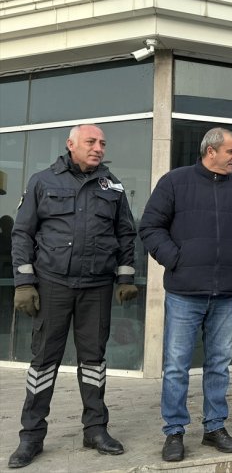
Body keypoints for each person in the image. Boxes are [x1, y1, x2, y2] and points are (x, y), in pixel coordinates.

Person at [8, 124, 138, 469]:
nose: (98, 148)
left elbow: (126, 232)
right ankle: (31, 437)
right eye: (91, 142)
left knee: (94, 360)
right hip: (53, 285)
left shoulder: (112, 185)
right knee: (43, 362)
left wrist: (126, 276)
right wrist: (24, 282)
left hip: (96, 286)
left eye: (102, 143)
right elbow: (22, 233)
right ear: (71, 145)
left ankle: (95, 429)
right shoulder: (42, 181)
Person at [138, 127, 232, 462]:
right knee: (177, 365)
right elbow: (150, 226)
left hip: (225, 292)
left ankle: (214, 427)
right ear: (211, 152)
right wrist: (176, 259)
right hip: (183, 291)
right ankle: (175, 431)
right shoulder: (175, 182)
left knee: (219, 365)